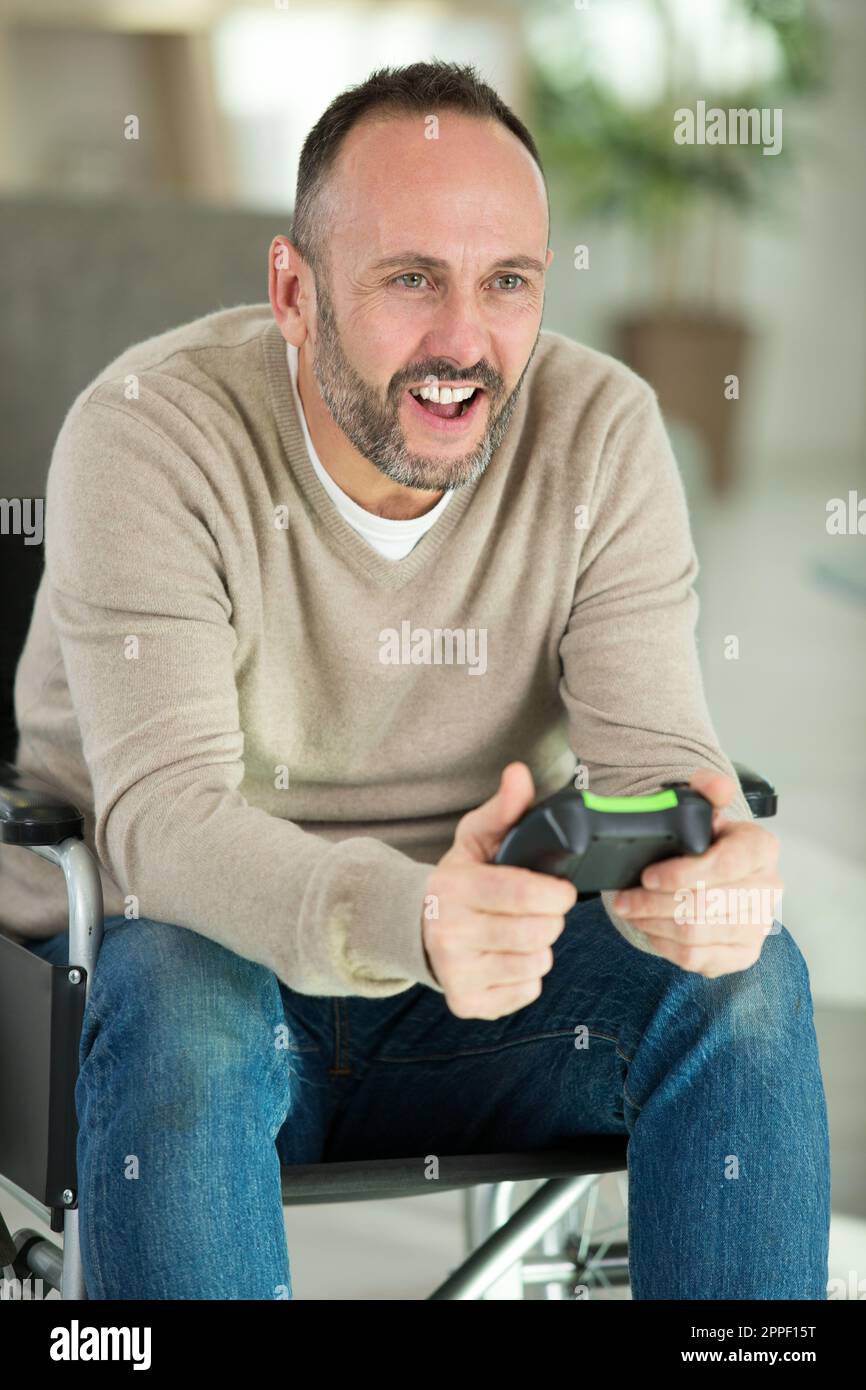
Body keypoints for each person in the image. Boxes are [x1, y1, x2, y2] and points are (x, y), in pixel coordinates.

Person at [7, 60, 829, 1300]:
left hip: (491, 984)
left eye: (507, 283)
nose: (464, 345)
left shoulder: (599, 432)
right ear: (293, 291)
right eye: (409, 279)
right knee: (179, 976)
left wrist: (704, 855)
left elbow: (653, 755)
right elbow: (161, 827)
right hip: (198, 984)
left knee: (749, 978)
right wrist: (412, 921)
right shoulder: (147, 435)